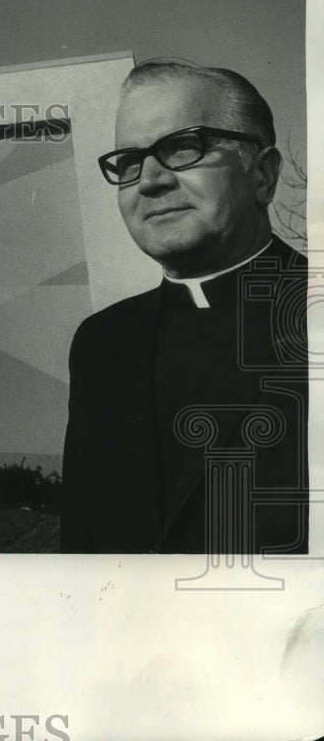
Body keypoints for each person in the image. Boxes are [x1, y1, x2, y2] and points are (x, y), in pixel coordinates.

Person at [61, 60, 308, 554]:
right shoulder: (99, 343)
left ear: (262, 175)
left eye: (182, 147)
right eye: (129, 162)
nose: (149, 181)